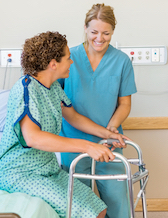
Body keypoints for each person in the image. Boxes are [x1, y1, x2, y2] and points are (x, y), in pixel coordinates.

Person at [0, 31, 129, 218]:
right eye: (68, 58)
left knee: (99, 209)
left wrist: (108, 134)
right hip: (21, 173)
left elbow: (73, 117)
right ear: (53, 64)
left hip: (48, 170)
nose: (72, 62)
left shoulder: (54, 87)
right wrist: (87, 146)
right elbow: (33, 138)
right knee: (85, 213)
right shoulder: (26, 89)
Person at [59, 3, 137, 218]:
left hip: (109, 143)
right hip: (73, 142)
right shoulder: (68, 59)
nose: (99, 38)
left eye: (106, 33)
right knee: (79, 206)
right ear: (85, 28)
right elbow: (63, 107)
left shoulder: (121, 61)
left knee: (118, 202)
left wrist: (111, 129)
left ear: (113, 32)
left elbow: (125, 103)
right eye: (94, 32)